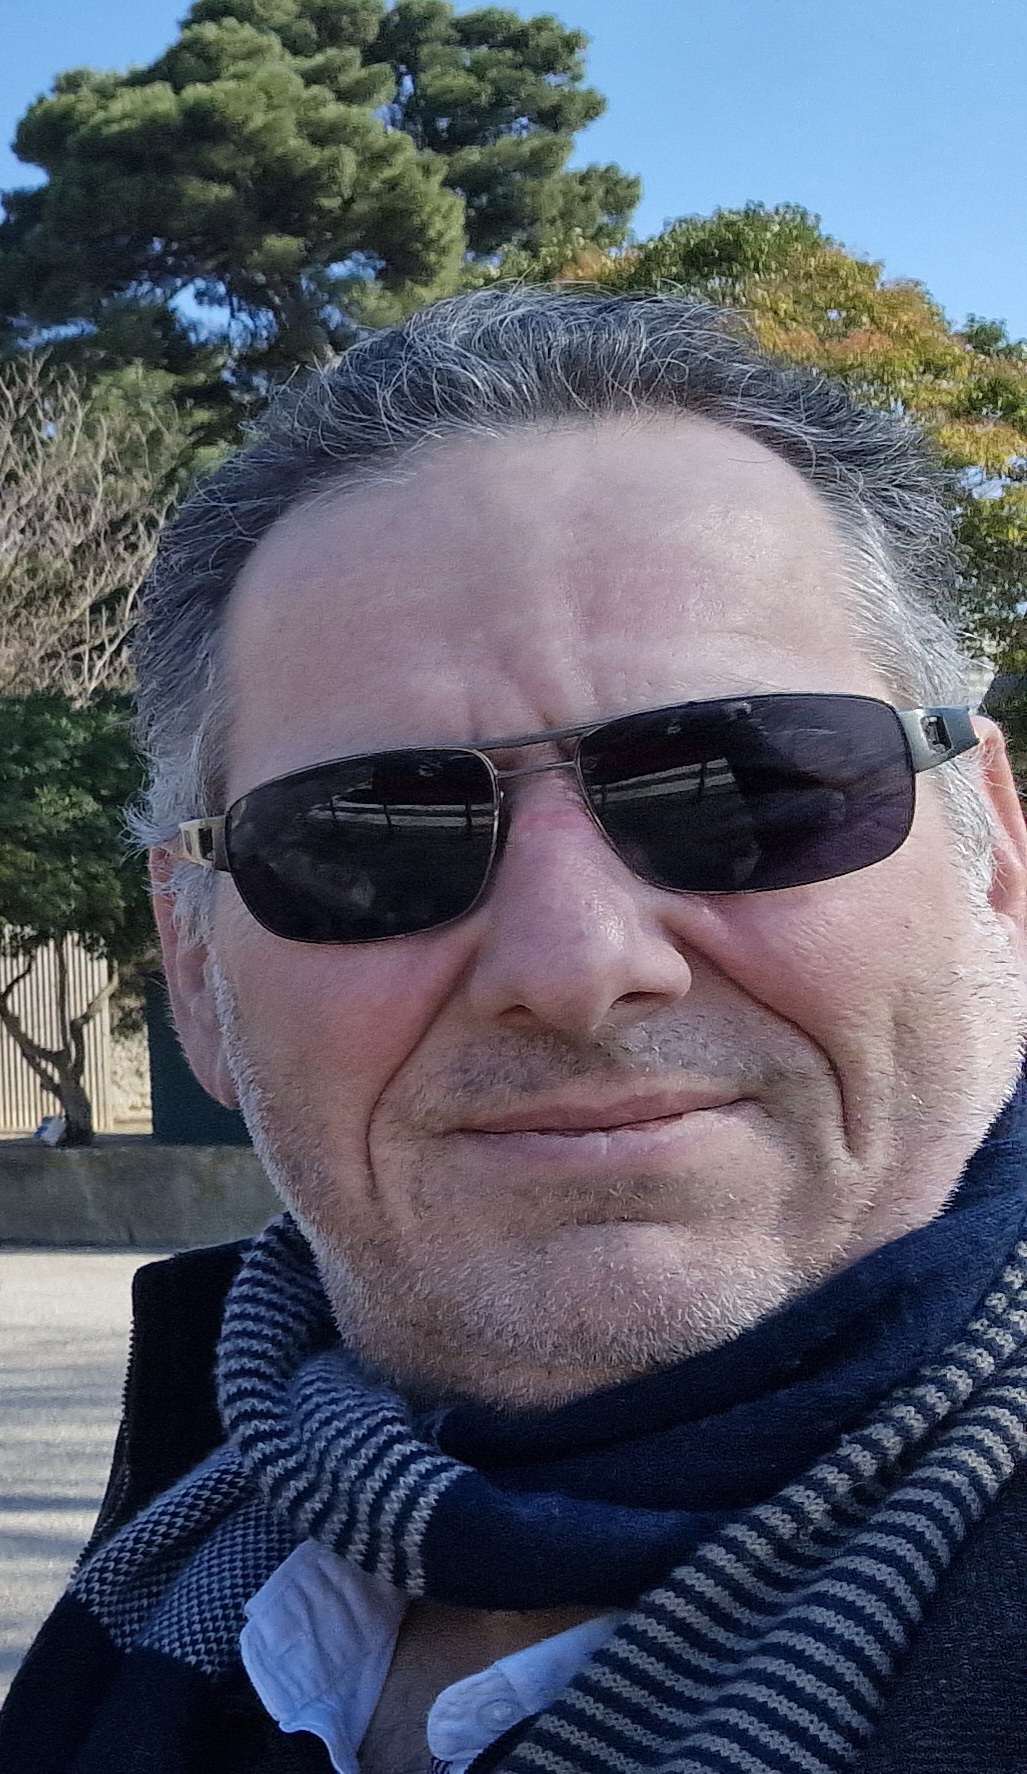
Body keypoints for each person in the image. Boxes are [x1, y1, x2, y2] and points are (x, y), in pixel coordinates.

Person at [5, 288, 1027, 1774]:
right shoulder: (176, 1561)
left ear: (994, 858)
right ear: (192, 962)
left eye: (746, 788)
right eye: (374, 833)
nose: (575, 963)